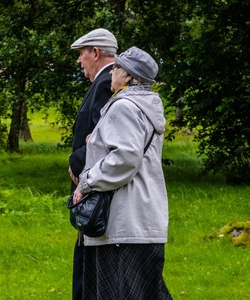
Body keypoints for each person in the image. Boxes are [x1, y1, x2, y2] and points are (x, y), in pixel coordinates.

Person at [72, 46, 172, 299]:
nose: (112, 72)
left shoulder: (124, 107)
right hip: (141, 220)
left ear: (127, 76)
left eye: (116, 67)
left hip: (123, 222)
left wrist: (86, 183)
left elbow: (124, 158)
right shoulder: (144, 106)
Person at [68, 28, 118, 300]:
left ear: (95, 53)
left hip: (94, 190)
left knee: (90, 274)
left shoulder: (105, 83)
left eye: (81, 54)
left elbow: (103, 137)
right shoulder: (103, 82)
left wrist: (75, 162)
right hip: (91, 188)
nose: (79, 61)